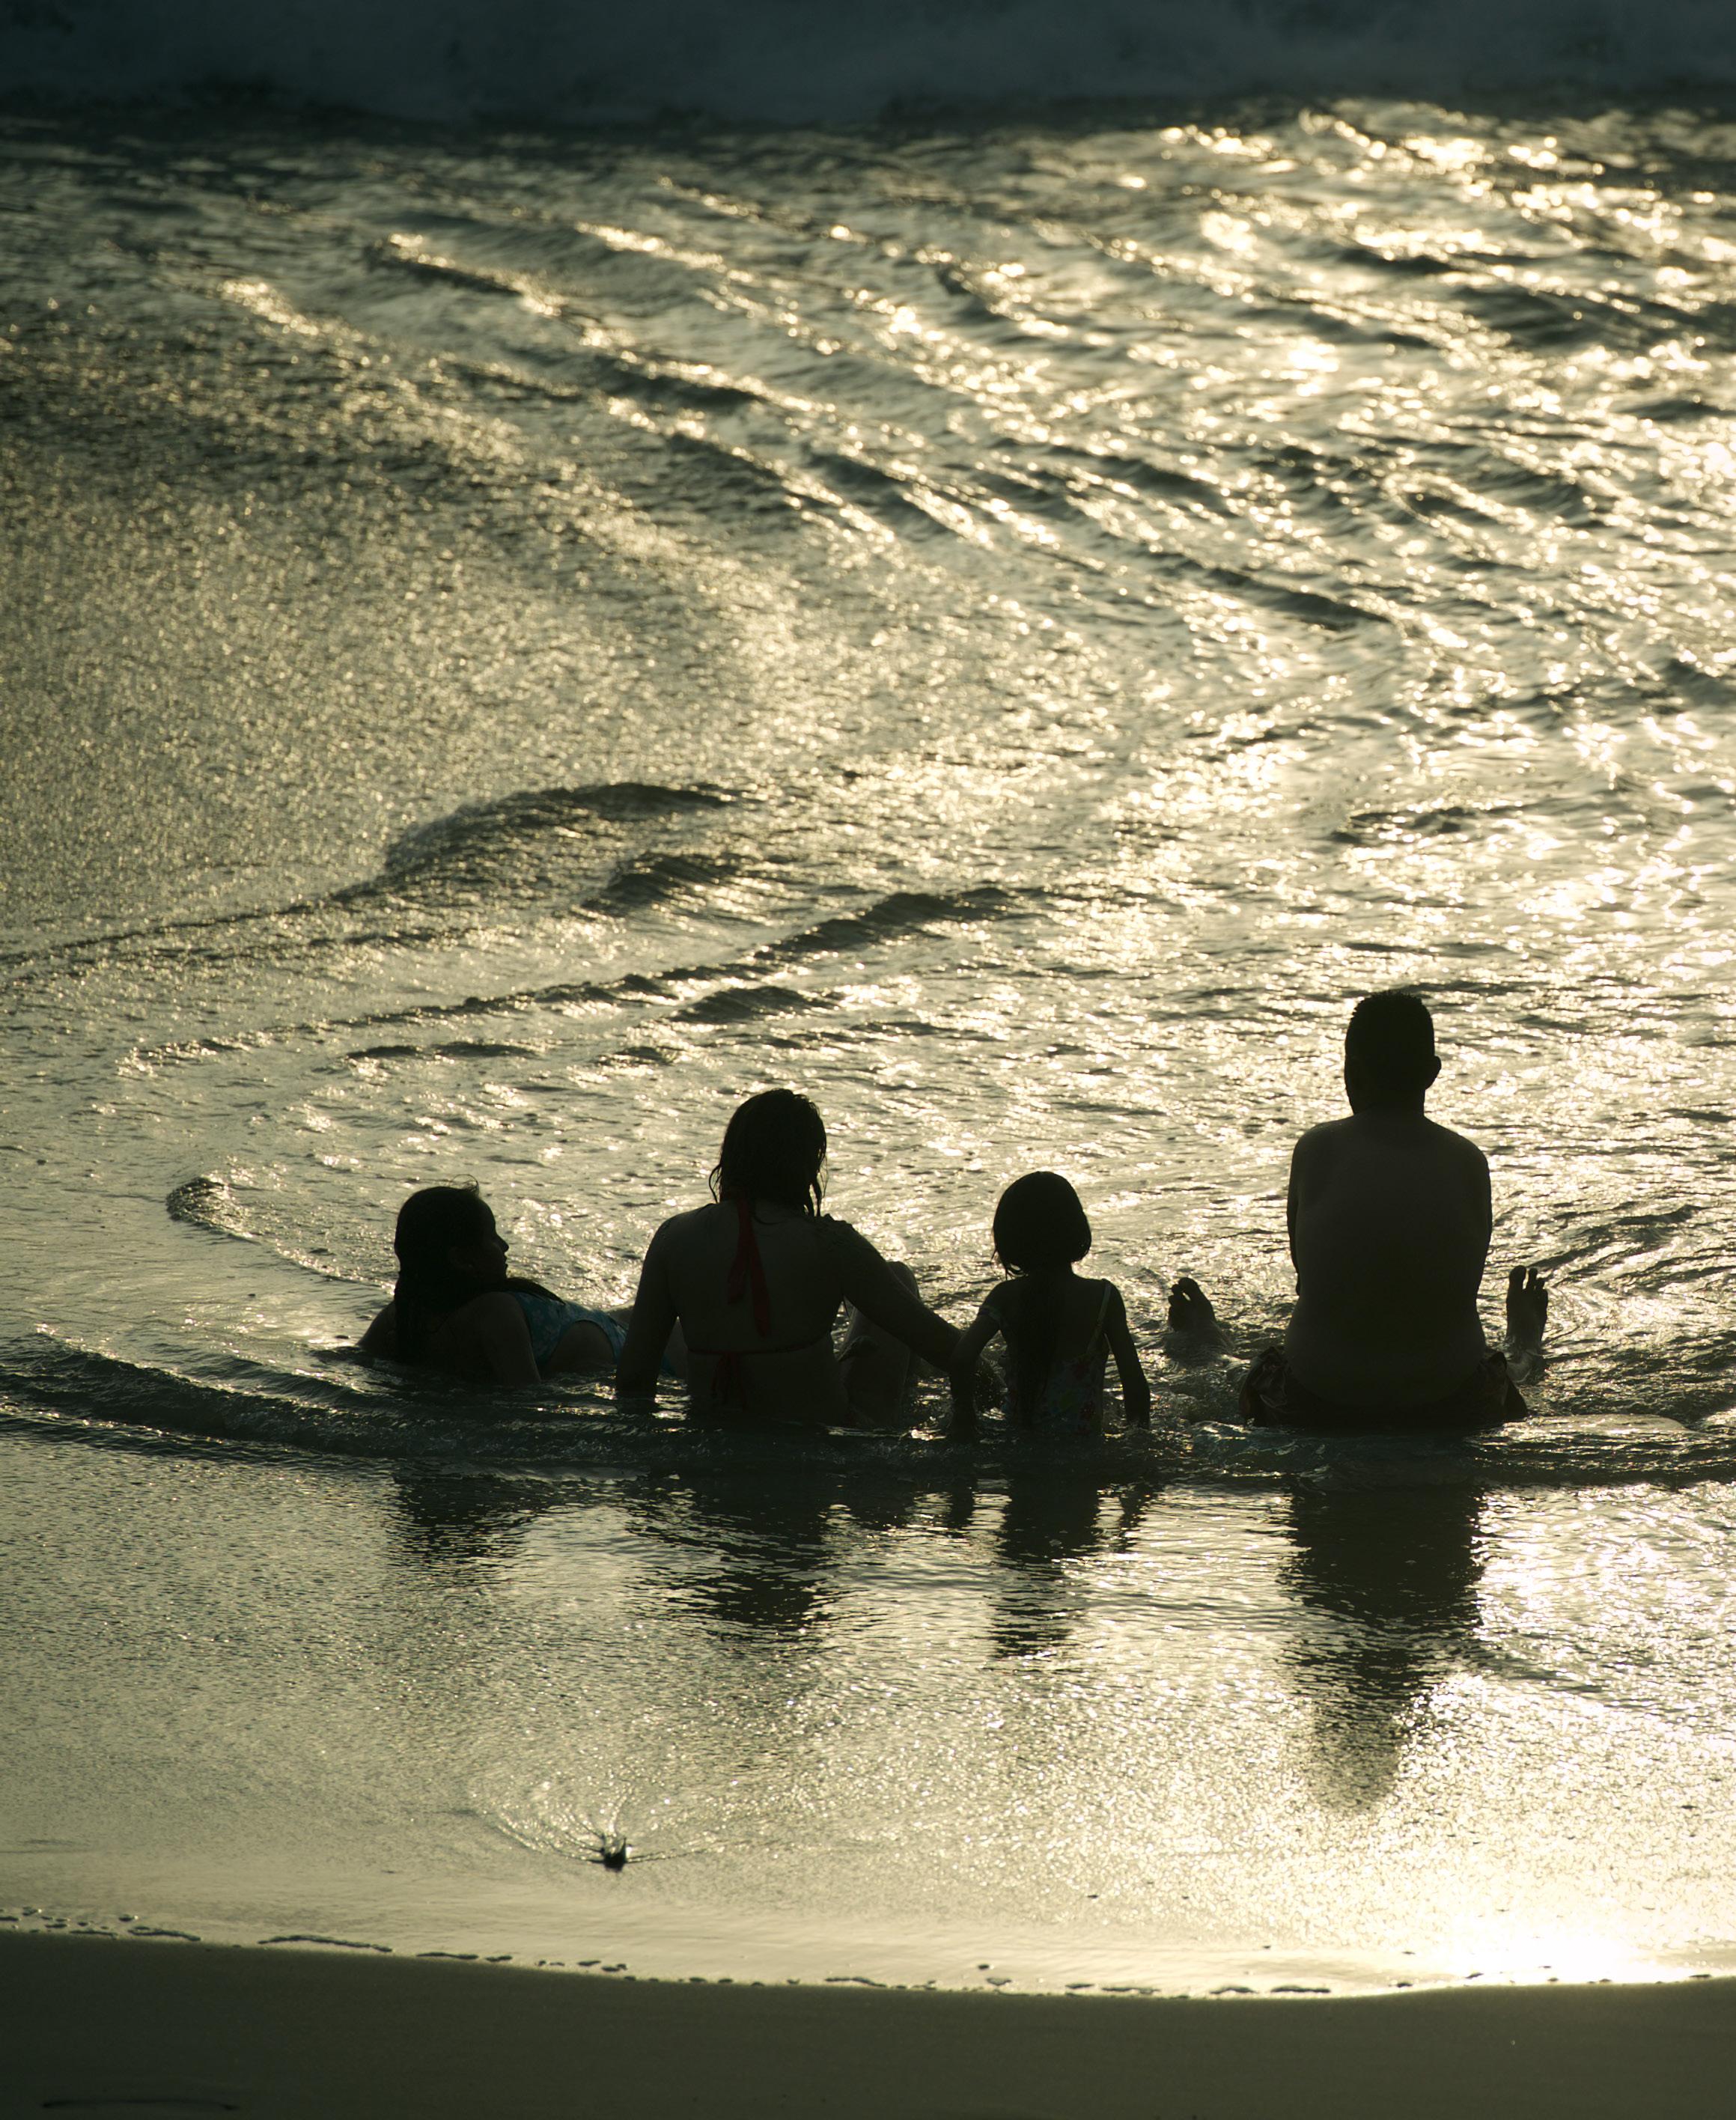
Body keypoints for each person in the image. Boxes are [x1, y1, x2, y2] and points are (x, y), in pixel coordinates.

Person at [1189, 990, 1546, 1429]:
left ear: (1351, 1071)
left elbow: (1306, 1277)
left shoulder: (1317, 1150)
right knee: (1506, 1369)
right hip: (1448, 1400)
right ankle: (1524, 1345)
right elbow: (1456, 1286)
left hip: (1320, 1400)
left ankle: (1212, 1345)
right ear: (1432, 1074)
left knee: (1247, 1373)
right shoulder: (1467, 1161)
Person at [614, 1089, 957, 1425]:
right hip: (824, 1434)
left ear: (730, 1155)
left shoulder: (673, 1236)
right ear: (808, 1166)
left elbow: (633, 1379)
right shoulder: (831, 1243)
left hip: (711, 1429)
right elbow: (949, 1349)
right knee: (898, 1276)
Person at [359, 1184, 641, 1387]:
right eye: (493, 1238)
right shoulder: (404, 1313)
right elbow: (355, 1362)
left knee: (641, 1320)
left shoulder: (495, 1312)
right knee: (636, 1315)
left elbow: (525, 1397)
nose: (505, 1246)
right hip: (599, 1330)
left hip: (622, 1345)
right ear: (461, 1259)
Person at [948, 1172, 1151, 1439]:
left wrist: (965, 1419)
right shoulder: (1103, 1297)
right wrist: (1140, 1436)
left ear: (1009, 1238)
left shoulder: (1005, 1296)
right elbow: (1134, 1383)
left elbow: (962, 1358)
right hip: (1082, 1445)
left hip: (1017, 1441)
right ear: (1077, 1228)